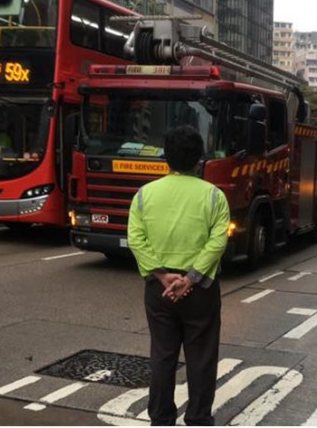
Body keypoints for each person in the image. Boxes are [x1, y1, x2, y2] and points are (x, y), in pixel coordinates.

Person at [127, 125, 230, 426]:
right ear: (199, 159)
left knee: (162, 354)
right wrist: (191, 278)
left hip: (158, 291)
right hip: (201, 291)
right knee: (201, 357)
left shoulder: (144, 195)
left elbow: (136, 239)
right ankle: (198, 418)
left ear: (166, 160)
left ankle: (161, 418)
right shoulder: (214, 196)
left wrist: (161, 275)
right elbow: (218, 241)